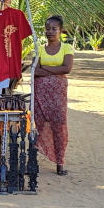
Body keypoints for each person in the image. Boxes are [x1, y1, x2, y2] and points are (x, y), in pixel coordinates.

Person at [33, 15, 74, 175]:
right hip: (40, 95)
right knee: (40, 125)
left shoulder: (66, 48)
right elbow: (34, 70)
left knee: (59, 125)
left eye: (54, 29)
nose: (50, 32)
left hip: (58, 95)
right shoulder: (40, 48)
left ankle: (60, 162)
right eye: (47, 28)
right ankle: (33, 160)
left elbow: (67, 69)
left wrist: (45, 70)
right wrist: (55, 70)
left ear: (61, 30)